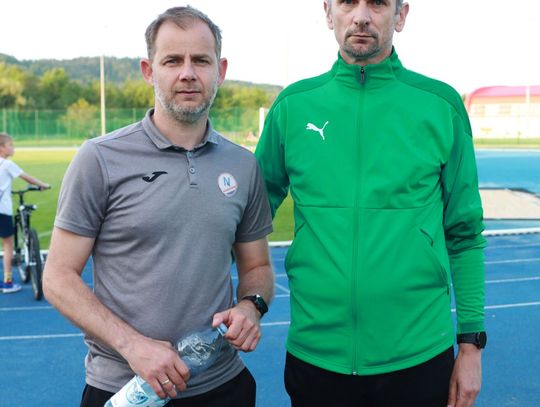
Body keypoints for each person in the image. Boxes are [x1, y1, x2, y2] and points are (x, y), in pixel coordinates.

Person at [255, 1, 486, 406]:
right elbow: (248, 217)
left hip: (418, 356)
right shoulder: (293, 107)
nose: (361, 16)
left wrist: (470, 345)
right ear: (329, 12)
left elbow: (465, 233)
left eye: (377, 3)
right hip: (316, 355)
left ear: (401, 14)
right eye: (348, 2)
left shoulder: (440, 106)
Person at [42, 6, 274, 407]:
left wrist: (251, 307)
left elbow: (258, 268)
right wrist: (132, 345)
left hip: (223, 386)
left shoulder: (242, 165)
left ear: (220, 70)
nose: (188, 73)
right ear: (149, 71)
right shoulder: (99, 158)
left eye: (201, 60)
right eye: (172, 61)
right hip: (128, 390)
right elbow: (58, 277)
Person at [0, 133, 50, 294]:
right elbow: (27, 178)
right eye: (10, 145)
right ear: (2, 148)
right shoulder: (7, 164)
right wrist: (43, 185)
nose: (13, 148)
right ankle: (7, 282)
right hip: (2, 211)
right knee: (8, 244)